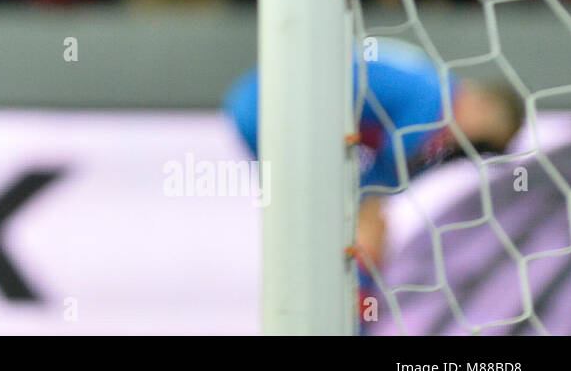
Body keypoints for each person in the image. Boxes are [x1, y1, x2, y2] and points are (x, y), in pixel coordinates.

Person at [223, 38, 524, 296]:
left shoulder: (428, 80)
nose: (467, 151)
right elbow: (393, 164)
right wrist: (371, 209)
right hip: (278, 113)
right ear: (480, 106)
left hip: (265, 105)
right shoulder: (434, 100)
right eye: (481, 142)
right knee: (353, 239)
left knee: (323, 237)